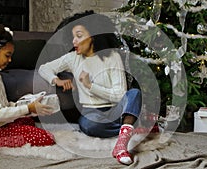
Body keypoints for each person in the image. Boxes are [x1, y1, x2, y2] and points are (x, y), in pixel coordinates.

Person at [38, 10, 142, 165]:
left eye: (79, 36)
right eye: (73, 37)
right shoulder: (73, 58)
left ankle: (121, 145)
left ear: (93, 36)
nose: (74, 41)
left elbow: (121, 94)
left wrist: (90, 86)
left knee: (134, 93)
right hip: (92, 112)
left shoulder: (112, 56)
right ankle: (129, 127)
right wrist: (56, 80)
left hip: (116, 109)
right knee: (88, 125)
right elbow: (44, 68)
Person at [0, 23, 56, 148]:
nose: (10, 60)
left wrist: (26, 105)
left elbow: (3, 105)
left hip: (0, 125)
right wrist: (27, 109)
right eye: (7, 55)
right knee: (46, 138)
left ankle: (3, 137)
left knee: (28, 121)